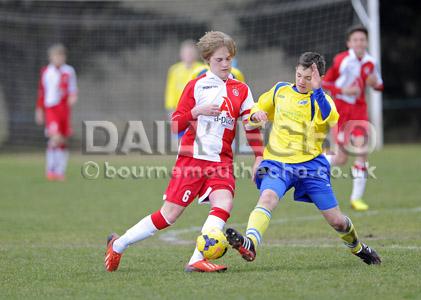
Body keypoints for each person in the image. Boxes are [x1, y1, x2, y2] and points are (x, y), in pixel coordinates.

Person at [104, 31, 264, 273]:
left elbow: (250, 124)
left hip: (221, 161)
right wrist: (196, 111)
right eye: (219, 60)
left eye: (228, 59)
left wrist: (259, 153)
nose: (225, 64)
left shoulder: (241, 89)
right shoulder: (196, 86)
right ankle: (119, 244)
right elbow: (176, 123)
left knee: (224, 202)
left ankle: (197, 258)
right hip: (192, 158)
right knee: (169, 216)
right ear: (208, 60)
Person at [226, 52, 381, 266]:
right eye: (299, 75)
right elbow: (253, 114)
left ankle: (358, 247)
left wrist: (318, 88)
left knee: (337, 221)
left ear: (318, 79)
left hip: (311, 167)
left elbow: (328, 117)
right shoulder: (280, 90)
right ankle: (250, 243)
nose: (301, 81)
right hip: (278, 162)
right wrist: (256, 116)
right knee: (267, 198)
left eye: (308, 78)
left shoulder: (323, 100)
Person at [322, 25, 384, 211]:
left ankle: (356, 198)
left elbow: (378, 85)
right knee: (340, 158)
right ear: (349, 43)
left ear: (366, 42)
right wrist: (343, 90)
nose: (359, 43)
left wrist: (375, 84)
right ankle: (312, 165)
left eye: (362, 40)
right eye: (355, 40)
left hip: (359, 111)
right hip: (341, 111)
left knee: (361, 149)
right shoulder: (341, 60)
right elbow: (324, 83)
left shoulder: (370, 62)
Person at [35, 43, 78, 181]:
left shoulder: (69, 71)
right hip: (51, 108)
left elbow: (72, 89)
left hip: (64, 109)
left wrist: (73, 96)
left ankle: (60, 171)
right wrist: (39, 110)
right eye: (56, 56)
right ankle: (50, 170)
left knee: (63, 140)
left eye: (61, 55)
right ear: (51, 57)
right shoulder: (46, 72)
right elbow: (42, 92)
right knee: (55, 137)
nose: (59, 58)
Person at [164, 40, 203, 115]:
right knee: (176, 126)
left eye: (191, 53)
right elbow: (170, 91)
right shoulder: (174, 70)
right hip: (177, 110)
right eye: (186, 53)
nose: (188, 55)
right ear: (181, 54)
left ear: (196, 54)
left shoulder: (202, 69)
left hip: (196, 110)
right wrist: (170, 108)